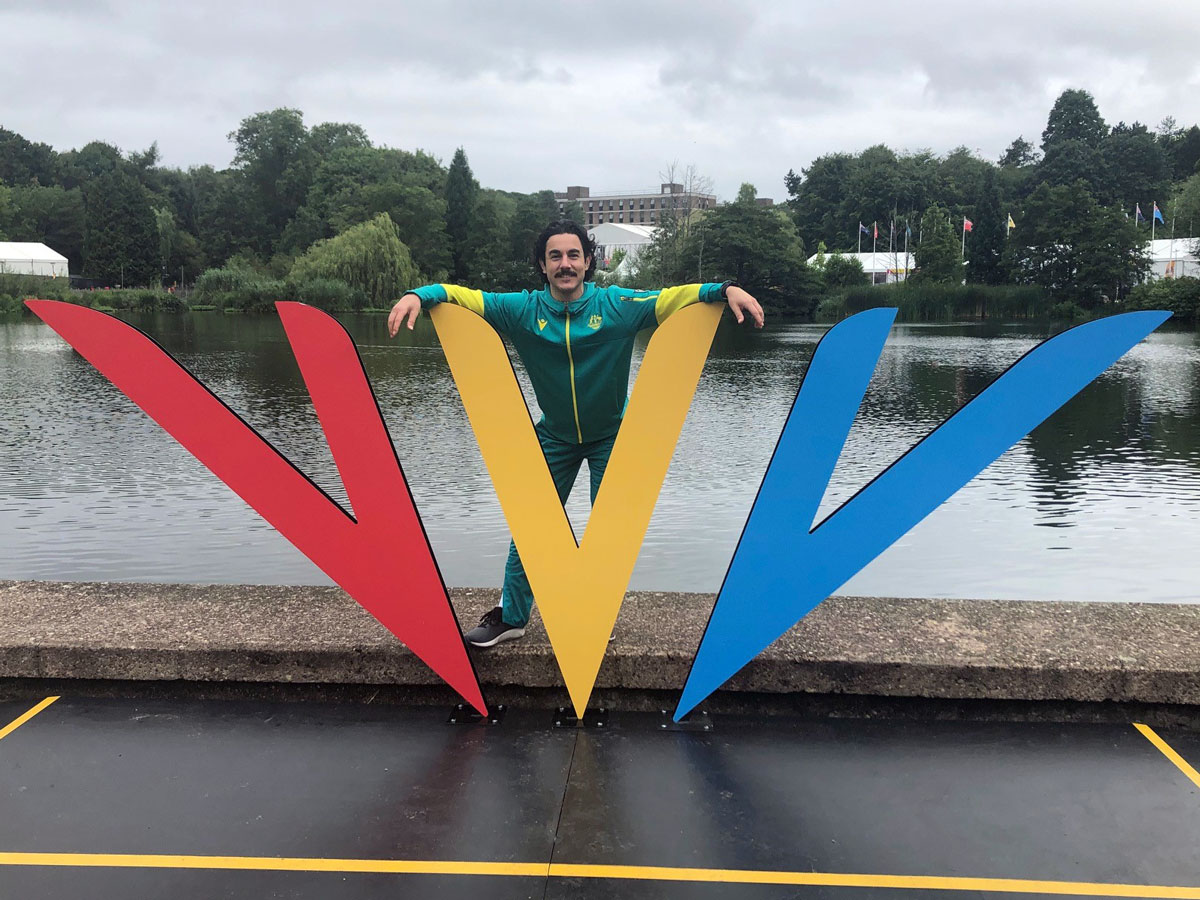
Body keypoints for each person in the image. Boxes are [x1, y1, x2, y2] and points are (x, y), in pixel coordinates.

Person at [388, 220, 764, 647]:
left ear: (588, 262)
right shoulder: (523, 310)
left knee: (610, 530)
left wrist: (725, 289)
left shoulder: (618, 305)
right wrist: (419, 294)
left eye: (572, 255)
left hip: (610, 436)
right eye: (554, 256)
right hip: (555, 437)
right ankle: (512, 617)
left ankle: (591, 614)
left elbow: (674, 298)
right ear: (542, 266)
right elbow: (463, 297)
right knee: (530, 526)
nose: (564, 264)